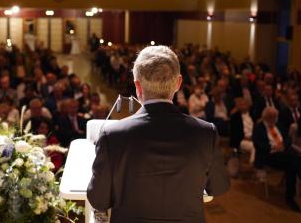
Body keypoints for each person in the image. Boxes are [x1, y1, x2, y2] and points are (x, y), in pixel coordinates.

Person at [87, 46, 230, 222]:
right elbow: (219, 186)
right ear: (178, 83)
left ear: (137, 86)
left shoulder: (112, 134)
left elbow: (98, 198)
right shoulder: (206, 133)